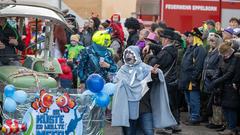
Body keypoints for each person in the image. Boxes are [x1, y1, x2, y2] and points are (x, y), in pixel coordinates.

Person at [112, 46, 177, 135]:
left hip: (144, 107)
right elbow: (116, 83)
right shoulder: (123, 70)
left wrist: (154, 75)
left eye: (131, 54)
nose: (129, 56)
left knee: (148, 131)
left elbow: (153, 81)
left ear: (136, 55)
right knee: (130, 132)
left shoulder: (145, 68)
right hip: (128, 108)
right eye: (127, 54)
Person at [146, 29, 181, 133]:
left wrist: (150, 56)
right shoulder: (172, 49)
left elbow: (155, 63)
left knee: (166, 104)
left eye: (162, 38)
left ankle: (168, 127)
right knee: (172, 103)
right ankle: (175, 125)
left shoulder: (166, 52)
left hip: (166, 80)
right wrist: (151, 45)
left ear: (166, 40)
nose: (161, 40)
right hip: (172, 80)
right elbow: (161, 48)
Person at [209, 41, 240, 135]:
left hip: (232, 86)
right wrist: (215, 78)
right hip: (224, 86)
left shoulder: (236, 57)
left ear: (229, 51)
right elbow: (219, 69)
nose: (223, 56)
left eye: (224, 54)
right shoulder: (223, 57)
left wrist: (216, 81)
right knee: (225, 106)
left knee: (231, 108)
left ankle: (232, 128)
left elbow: (230, 73)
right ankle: (227, 126)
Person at [179, 28, 207, 125]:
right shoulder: (191, 47)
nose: (188, 38)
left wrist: (194, 78)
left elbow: (198, 66)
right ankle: (191, 117)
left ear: (196, 37)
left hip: (192, 79)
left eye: (190, 36)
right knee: (189, 100)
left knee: (194, 100)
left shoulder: (200, 49)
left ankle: (195, 117)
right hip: (186, 78)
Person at [202, 33, 224, 129]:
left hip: (214, 80)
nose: (211, 42)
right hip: (207, 80)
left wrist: (210, 74)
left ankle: (216, 121)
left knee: (214, 101)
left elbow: (219, 68)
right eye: (210, 41)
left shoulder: (219, 52)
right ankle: (212, 120)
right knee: (209, 101)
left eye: (213, 41)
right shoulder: (210, 51)